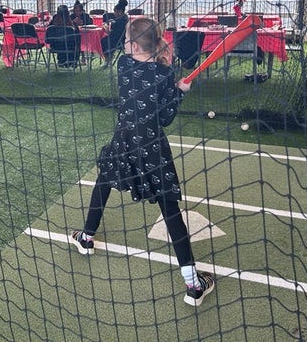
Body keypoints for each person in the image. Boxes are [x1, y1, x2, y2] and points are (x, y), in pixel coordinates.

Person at [70, 17, 215, 307]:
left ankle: (86, 236)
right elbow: (165, 118)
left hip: (124, 139)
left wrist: (173, 87)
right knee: (169, 207)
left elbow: (143, 79)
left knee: (105, 180)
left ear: (134, 45)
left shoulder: (124, 65)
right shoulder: (163, 73)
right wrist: (178, 93)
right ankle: (192, 283)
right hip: (150, 147)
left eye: (126, 40)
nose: (124, 44)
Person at [100, 0, 129, 68]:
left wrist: (105, 26)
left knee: (103, 41)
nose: (114, 13)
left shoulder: (120, 20)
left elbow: (110, 32)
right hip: (119, 38)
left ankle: (108, 60)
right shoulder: (124, 18)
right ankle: (108, 60)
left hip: (119, 41)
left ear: (120, 12)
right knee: (105, 40)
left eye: (115, 12)